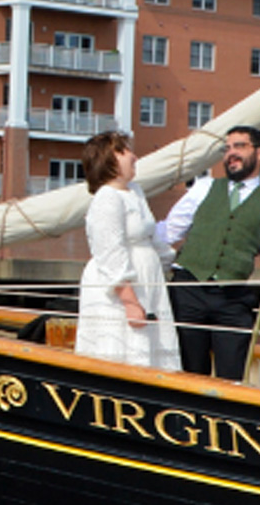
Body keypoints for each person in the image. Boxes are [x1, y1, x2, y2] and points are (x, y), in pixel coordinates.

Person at [157, 126, 260, 380]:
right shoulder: (203, 188)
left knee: (232, 374)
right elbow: (169, 231)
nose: (230, 154)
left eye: (239, 146)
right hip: (188, 290)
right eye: (227, 149)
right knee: (188, 373)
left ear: (259, 153)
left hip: (232, 297)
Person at [74, 131, 182, 370]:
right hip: (121, 289)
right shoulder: (107, 198)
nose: (133, 156)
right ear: (106, 160)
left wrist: (173, 263)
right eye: (123, 151)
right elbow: (110, 250)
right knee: (123, 349)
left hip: (147, 281)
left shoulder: (135, 192)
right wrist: (130, 301)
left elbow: (151, 237)